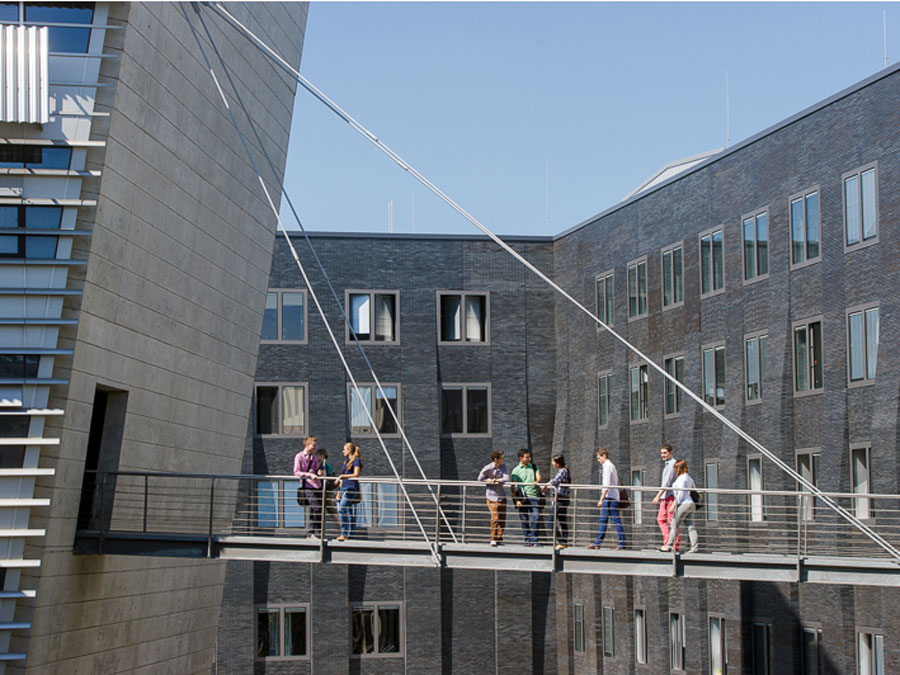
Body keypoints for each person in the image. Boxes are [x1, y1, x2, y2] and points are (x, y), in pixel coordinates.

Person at [587, 448, 626, 550]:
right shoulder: (609, 465)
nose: (598, 460)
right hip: (611, 497)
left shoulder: (608, 466)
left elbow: (607, 484)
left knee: (612, 520)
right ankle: (599, 542)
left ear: (604, 456)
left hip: (610, 497)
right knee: (607, 520)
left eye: (599, 458)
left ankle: (620, 543)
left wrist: (601, 498)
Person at [659, 459, 699, 553]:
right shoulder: (688, 477)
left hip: (683, 504)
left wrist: (673, 505)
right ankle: (694, 547)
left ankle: (668, 546)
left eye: (675, 468)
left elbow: (680, 495)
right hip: (690, 504)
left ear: (678, 468)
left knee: (674, 524)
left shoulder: (681, 479)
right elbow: (694, 489)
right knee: (690, 527)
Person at [477, 450, 510, 546]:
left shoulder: (504, 466)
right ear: (496, 459)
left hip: (501, 495)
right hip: (491, 496)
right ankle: (493, 538)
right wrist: (488, 480)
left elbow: (506, 478)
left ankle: (499, 538)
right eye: (502, 458)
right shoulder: (487, 468)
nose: (503, 460)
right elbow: (480, 479)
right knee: (495, 517)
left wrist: (496, 480)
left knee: (502, 519)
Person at [651, 444, 680, 549]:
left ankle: (673, 545)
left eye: (665, 453)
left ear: (671, 452)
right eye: (662, 453)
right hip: (665, 496)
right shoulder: (668, 464)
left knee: (672, 520)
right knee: (661, 519)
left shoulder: (672, 464)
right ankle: (668, 542)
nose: (663, 455)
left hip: (670, 496)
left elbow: (666, 483)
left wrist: (657, 496)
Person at [510, 448, 542, 546]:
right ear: (521, 458)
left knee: (535, 517)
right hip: (522, 498)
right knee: (524, 519)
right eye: (527, 457)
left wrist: (537, 481)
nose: (529, 459)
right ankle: (527, 540)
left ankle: (534, 540)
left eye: (529, 457)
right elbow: (513, 487)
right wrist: (516, 500)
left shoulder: (534, 467)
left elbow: (538, 476)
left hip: (533, 496)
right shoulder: (515, 471)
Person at [293, 436, 322, 538]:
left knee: (315, 509)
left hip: (316, 486)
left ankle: (311, 533)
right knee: (317, 508)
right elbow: (296, 472)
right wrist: (309, 475)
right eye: (313, 445)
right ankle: (317, 531)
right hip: (307, 487)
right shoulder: (299, 457)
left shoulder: (313, 458)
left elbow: (315, 469)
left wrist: (318, 472)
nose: (314, 448)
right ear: (307, 445)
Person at [543, 454, 571, 550]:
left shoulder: (563, 471)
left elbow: (555, 481)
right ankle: (564, 542)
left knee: (551, 522)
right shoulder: (563, 470)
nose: (552, 463)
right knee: (563, 521)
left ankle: (562, 541)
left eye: (553, 462)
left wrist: (545, 485)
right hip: (561, 499)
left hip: (561, 500)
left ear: (557, 463)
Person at [335, 442, 362, 541]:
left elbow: (356, 474)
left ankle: (344, 533)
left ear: (349, 450)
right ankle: (350, 534)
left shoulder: (356, 460)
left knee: (341, 509)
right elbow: (343, 476)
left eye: (344, 449)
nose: (343, 451)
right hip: (344, 488)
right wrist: (339, 491)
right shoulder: (346, 461)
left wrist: (342, 476)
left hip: (351, 489)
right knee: (348, 511)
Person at [316, 448, 339, 526]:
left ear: (321, 455)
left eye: (317, 456)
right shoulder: (328, 464)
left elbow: (324, 476)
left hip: (326, 490)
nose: (316, 458)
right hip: (329, 489)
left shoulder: (324, 464)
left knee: (331, 511)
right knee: (330, 510)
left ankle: (342, 530)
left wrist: (320, 475)